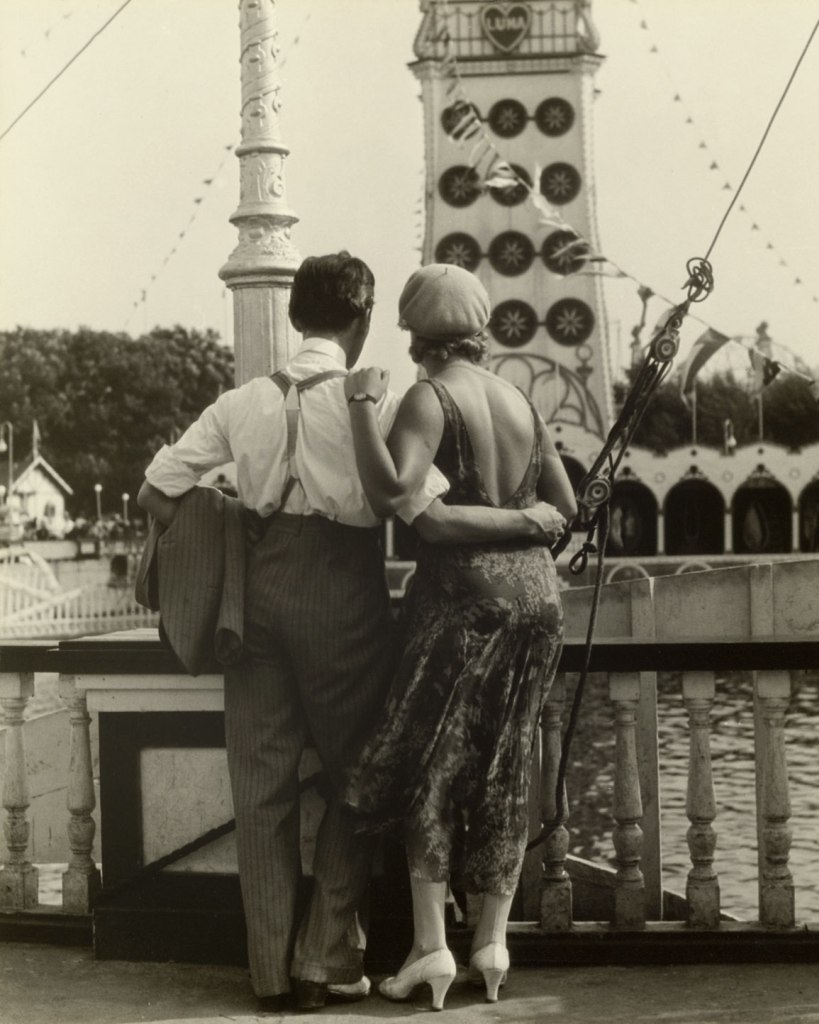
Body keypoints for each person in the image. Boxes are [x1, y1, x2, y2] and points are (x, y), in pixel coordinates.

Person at [137, 252, 566, 1013]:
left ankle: (270, 974)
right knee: (360, 778)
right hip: (344, 598)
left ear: (294, 314)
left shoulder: (241, 402)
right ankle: (323, 957)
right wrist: (532, 521)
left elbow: (157, 492)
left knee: (261, 789)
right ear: (363, 320)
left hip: (256, 597)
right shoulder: (380, 400)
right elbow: (425, 510)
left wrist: (233, 527)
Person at [342, 263, 578, 1010]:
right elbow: (565, 510)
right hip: (539, 602)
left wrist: (361, 408)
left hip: (462, 602)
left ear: (416, 336)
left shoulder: (429, 396)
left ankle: (430, 948)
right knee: (507, 764)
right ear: (479, 330)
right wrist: (525, 521)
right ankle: (492, 944)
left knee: (432, 765)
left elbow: (396, 495)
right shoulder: (519, 399)